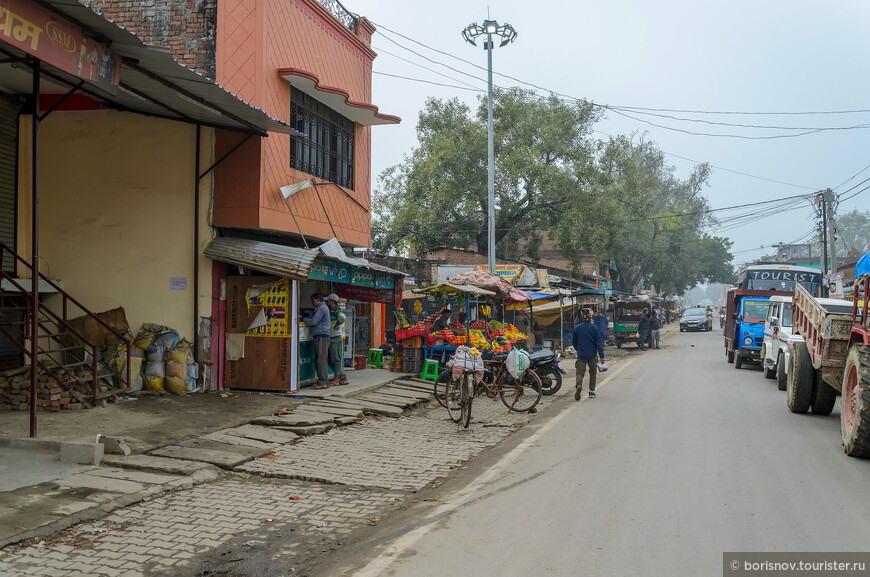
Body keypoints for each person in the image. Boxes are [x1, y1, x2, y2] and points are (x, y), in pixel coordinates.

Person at [572, 308, 605, 400]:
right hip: (592, 355)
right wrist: (602, 357)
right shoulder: (595, 328)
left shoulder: (577, 327)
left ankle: (578, 385)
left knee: (580, 372)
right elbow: (599, 344)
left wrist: (578, 350)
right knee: (592, 373)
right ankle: (591, 391)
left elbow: (574, 342)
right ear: (591, 316)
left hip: (581, 354)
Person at [299, 293, 331, 389]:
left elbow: (313, 321)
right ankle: (323, 381)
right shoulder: (322, 307)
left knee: (320, 360)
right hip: (321, 336)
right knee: (320, 359)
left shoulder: (321, 308)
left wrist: (303, 318)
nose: (312, 303)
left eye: (313, 301)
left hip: (321, 336)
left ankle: (322, 382)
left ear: (318, 300)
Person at [324, 294, 349, 386]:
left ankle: (336, 380)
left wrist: (337, 324)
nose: (327, 302)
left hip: (335, 337)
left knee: (335, 359)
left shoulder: (336, 310)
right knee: (330, 359)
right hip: (332, 337)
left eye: (328, 301)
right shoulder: (331, 310)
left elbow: (342, 317)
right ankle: (342, 378)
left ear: (332, 301)